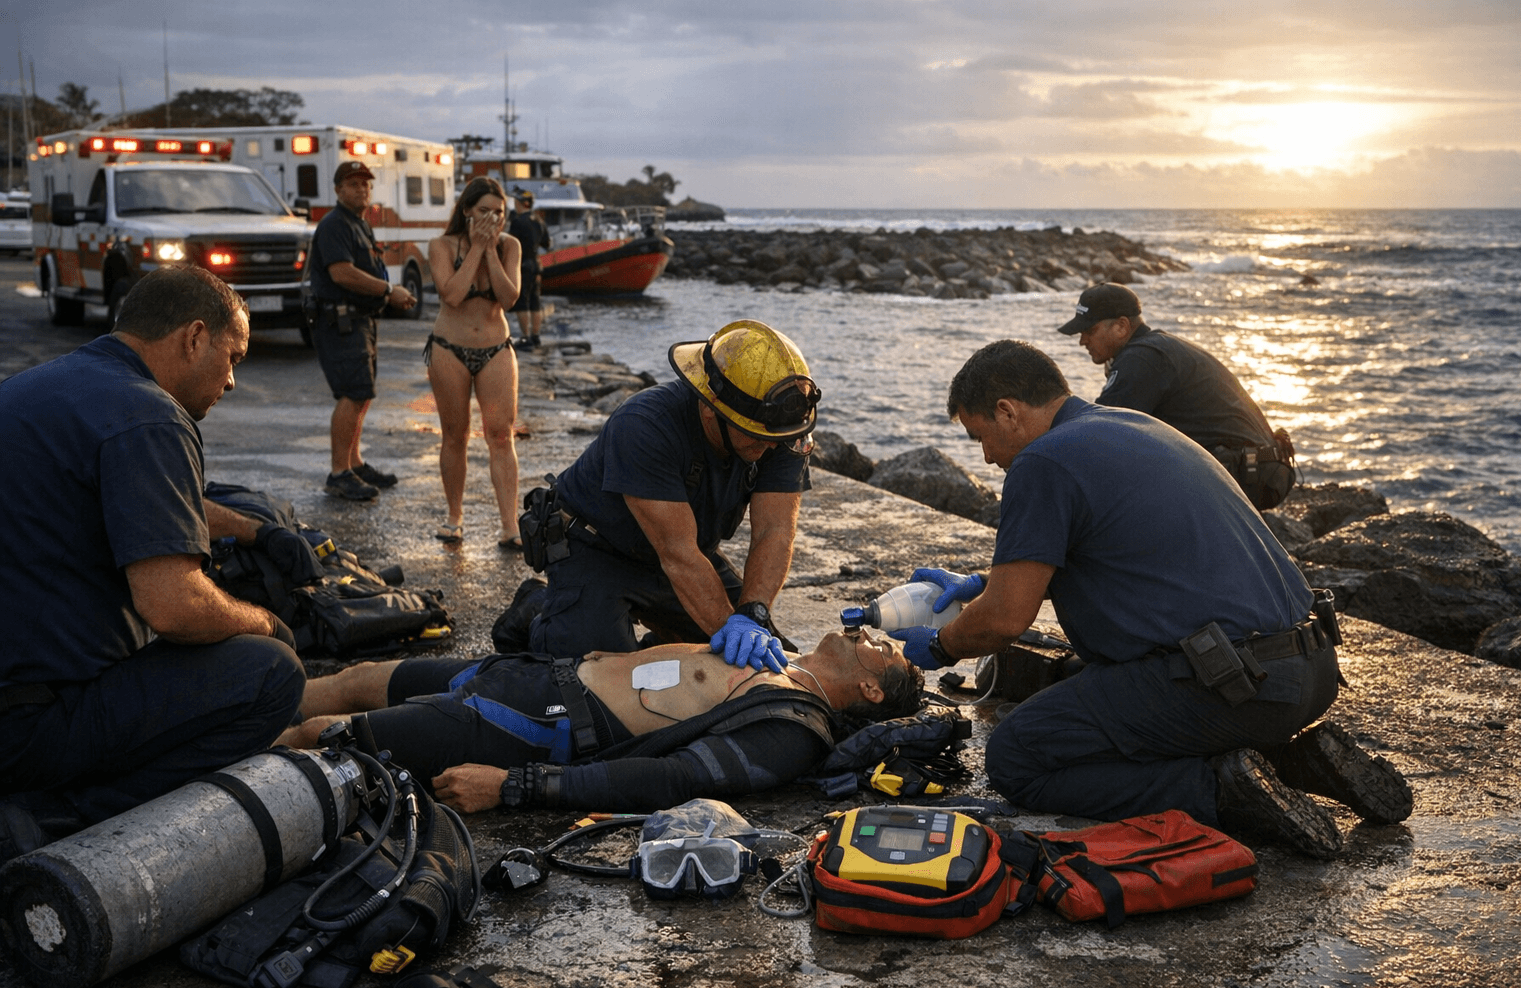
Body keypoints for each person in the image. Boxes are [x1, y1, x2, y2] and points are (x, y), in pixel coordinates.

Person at [889, 340, 1412, 859]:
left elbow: (1004, 622)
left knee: (1019, 755)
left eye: (980, 437)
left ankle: (1224, 790)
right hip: (1308, 671)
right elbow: (1115, 551)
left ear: (1008, 412)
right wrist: (984, 583)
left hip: (1238, 687)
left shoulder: (1040, 461)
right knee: (1063, 679)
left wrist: (940, 647)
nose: (985, 457)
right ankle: (1294, 763)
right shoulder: (1136, 427)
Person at [0, 267, 307, 862]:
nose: (234, 380)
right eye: (233, 355)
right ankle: (60, 817)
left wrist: (249, 527)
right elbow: (174, 607)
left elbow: (143, 495)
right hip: (28, 727)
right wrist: (267, 624)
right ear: (195, 337)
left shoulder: (43, 388)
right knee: (270, 671)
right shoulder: (152, 415)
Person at [279, 628, 924, 813]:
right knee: (351, 680)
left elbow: (670, 780)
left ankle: (202, 784)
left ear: (869, 687)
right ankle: (219, 710)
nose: (870, 628)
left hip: (539, 725)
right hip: (540, 671)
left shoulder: (794, 730)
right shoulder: (770, 652)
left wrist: (514, 787)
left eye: (884, 647)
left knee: (321, 739)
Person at [523, 319, 819, 672]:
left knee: (770, 664)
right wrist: (727, 629)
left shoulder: (782, 427)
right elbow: (677, 555)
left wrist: (752, 616)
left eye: (777, 437)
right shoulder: (645, 426)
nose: (770, 445)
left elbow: (775, 531)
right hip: (598, 549)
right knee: (598, 679)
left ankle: (658, 642)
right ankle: (539, 615)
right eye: (753, 435)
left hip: (687, 551)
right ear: (711, 405)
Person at [1058, 282, 1295, 510]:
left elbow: (1097, 433)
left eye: (1090, 330)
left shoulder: (1142, 358)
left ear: (1121, 327)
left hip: (1246, 475)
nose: (1082, 341)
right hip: (1264, 468)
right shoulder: (1160, 346)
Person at [308, 160, 418, 501]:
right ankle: (339, 472)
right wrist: (388, 291)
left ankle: (354, 463)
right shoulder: (334, 225)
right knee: (353, 393)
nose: (361, 189)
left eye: (366, 184)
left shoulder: (358, 224)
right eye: (353, 184)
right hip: (340, 320)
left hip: (360, 320)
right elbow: (342, 273)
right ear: (339, 189)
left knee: (363, 393)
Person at [424, 177, 524, 546]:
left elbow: (509, 297)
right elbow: (451, 294)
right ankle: (454, 518)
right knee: (455, 435)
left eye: (498, 213)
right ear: (466, 210)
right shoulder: (441, 245)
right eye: (483, 211)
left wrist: (490, 251)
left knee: (500, 434)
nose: (491, 219)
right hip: (449, 348)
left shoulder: (510, 245)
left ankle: (510, 526)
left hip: (496, 348)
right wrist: (476, 249)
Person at [506, 188, 550, 350]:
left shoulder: (518, 222)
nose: (515, 205)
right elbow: (547, 243)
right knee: (535, 301)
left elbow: (510, 243)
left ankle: (525, 338)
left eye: (516, 203)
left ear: (520, 203)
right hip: (536, 264)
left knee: (522, 302)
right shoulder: (539, 220)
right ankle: (536, 336)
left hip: (523, 264)